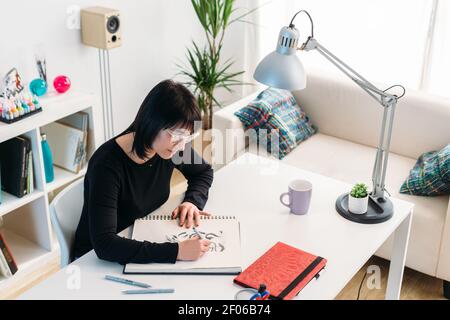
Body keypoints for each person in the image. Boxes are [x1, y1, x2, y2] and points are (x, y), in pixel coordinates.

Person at [73, 79, 213, 265]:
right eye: (178, 135)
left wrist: (192, 201)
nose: (182, 145)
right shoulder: (106, 165)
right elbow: (104, 244)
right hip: (94, 261)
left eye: (188, 137)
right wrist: (177, 251)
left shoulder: (172, 148)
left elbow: (203, 172)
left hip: (140, 236)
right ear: (153, 123)